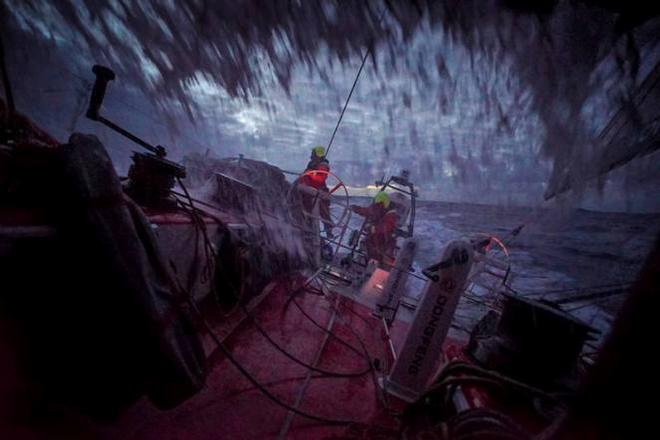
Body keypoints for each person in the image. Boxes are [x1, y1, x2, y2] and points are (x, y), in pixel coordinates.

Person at [351, 191, 399, 263]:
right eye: (376, 204)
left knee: (377, 254)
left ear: (384, 203)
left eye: (379, 204)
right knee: (365, 243)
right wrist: (355, 208)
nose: (376, 206)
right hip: (372, 240)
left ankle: (373, 267)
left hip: (383, 243)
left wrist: (373, 228)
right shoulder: (378, 209)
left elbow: (386, 227)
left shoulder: (391, 215)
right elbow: (367, 211)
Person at [300, 146, 333, 238]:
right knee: (307, 213)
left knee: (324, 214)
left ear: (317, 155)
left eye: (313, 154)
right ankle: (309, 231)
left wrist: (310, 173)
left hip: (319, 193)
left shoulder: (323, 166)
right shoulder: (312, 164)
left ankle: (328, 232)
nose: (311, 156)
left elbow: (320, 179)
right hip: (308, 193)